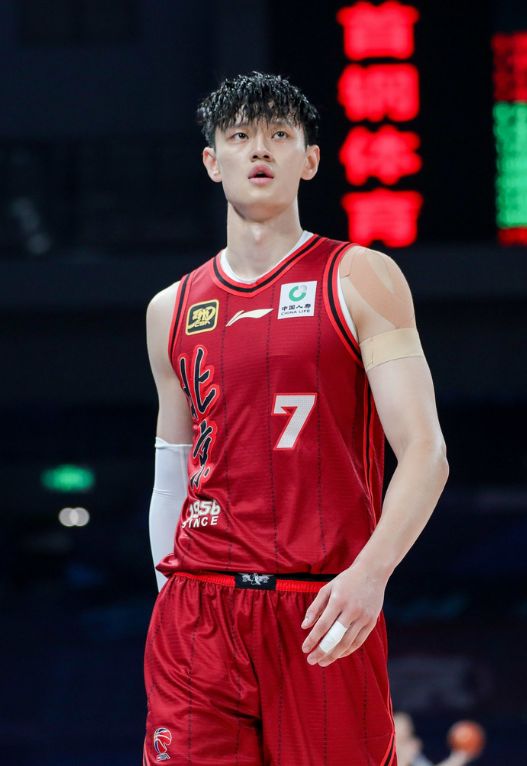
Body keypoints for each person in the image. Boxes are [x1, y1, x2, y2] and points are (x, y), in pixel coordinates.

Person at [142, 71, 449, 766]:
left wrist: (370, 575)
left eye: (280, 134)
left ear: (309, 159)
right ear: (212, 161)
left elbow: (425, 453)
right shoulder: (171, 308)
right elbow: (172, 469)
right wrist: (169, 603)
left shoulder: (361, 277)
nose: (260, 149)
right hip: (199, 612)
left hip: (321, 608)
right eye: (240, 136)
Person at [394, 713, 476, 766]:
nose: (408, 730)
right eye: (404, 728)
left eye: (409, 728)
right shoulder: (392, 754)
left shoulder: (412, 752)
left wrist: (457, 759)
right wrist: (405, 759)